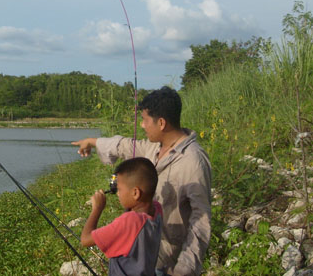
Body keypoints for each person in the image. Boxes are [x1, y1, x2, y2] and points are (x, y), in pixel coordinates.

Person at [73, 86, 212, 276]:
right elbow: (125, 146)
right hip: (145, 261)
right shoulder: (154, 147)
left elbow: (201, 220)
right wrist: (93, 141)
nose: (143, 126)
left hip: (169, 265)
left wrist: (184, 269)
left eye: (146, 121)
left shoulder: (193, 162)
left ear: (161, 123)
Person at [81, 157, 163, 276]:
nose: (117, 193)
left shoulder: (130, 222)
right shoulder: (157, 209)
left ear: (135, 193)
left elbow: (85, 240)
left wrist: (97, 209)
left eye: (119, 189)